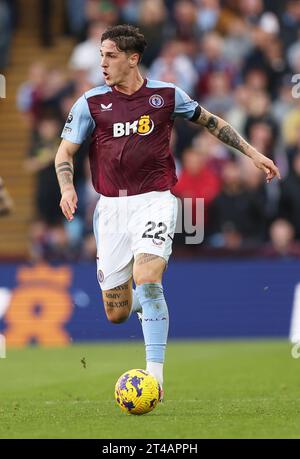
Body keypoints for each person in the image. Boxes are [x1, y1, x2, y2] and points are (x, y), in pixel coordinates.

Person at [55, 24, 280, 398]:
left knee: (148, 276)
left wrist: (254, 155)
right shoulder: (90, 103)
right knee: (117, 313)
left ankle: (154, 379)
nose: (103, 64)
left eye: (110, 56)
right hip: (110, 209)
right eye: (101, 56)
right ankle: (148, 300)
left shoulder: (165, 95)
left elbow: (212, 122)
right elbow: (65, 152)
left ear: (133, 58)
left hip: (154, 199)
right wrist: (66, 187)